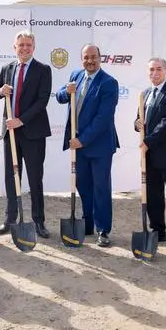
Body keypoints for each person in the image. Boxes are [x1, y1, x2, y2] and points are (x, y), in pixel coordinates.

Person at [0, 31, 52, 238]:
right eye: (21, 45)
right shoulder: (7, 69)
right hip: (11, 133)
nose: (24, 48)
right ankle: (10, 219)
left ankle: (38, 222)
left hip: (33, 132)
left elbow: (42, 101)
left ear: (33, 47)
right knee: (11, 177)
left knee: (35, 178)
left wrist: (21, 120)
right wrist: (0, 92)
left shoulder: (43, 69)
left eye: (28, 45)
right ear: (14, 47)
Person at [56, 44, 119, 247]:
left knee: (101, 187)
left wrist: (82, 140)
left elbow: (103, 118)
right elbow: (59, 96)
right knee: (83, 185)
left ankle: (103, 230)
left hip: (98, 145)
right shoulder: (76, 75)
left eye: (93, 57)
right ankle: (88, 224)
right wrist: (66, 91)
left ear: (100, 58)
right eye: (86, 57)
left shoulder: (109, 83)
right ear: (81, 59)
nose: (90, 61)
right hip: (78, 145)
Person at [134, 58, 166, 254]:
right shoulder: (145, 94)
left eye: (158, 69)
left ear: (165, 71)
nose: (154, 73)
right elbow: (140, 119)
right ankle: (158, 231)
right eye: (151, 70)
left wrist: (149, 141)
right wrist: (137, 124)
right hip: (150, 156)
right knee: (154, 197)